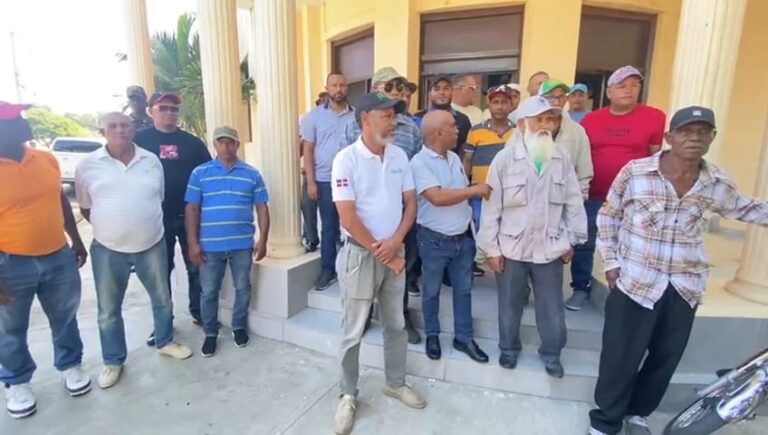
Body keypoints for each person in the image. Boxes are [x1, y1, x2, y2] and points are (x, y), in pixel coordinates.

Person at [587, 106, 768, 435]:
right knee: (619, 358)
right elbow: (609, 215)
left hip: (684, 286)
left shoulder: (716, 182)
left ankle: (638, 413)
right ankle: (606, 422)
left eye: (702, 132)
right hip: (635, 282)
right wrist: (611, 262)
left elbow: (747, 208)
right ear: (669, 137)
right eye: (686, 131)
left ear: (712, 138)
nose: (694, 138)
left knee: (664, 358)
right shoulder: (636, 172)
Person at [75, 113, 193, 389]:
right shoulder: (88, 166)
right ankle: (113, 360)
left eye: (125, 125)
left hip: (152, 244)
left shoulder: (151, 161)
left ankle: (164, 341)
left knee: (162, 299)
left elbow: (158, 198)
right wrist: (115, 227)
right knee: (108, 309)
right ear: (102, 132)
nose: (120, 130)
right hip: (108, 248)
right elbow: (86, 207)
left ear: (133, 130)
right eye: (113, 126)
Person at [332, 92, 425, 435]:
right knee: (353, 330)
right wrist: (380, 250)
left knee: (396, 324)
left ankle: (395, 383)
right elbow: (347, 215)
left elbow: (410, 203)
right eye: (386, 116)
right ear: (365, 119)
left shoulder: (399, 155)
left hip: (393, 252)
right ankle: (347, 394)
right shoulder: (346, 160)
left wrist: (396, 242)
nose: (393, 122)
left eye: (394, 116)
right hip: (360, 255)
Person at [478, 96, 587, 378]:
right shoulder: (504, 159)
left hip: (550, 246)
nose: (546, 126)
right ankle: (508, 349)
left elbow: (573, 202)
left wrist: (573, 240)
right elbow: (491, 208)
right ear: (523, 124)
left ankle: (552, 354)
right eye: (539, 120)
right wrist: (491, 249)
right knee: (509, 305)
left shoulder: (561, 158)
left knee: (551, 308)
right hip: (511, 247)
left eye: (551, 120)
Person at [0, 101, 91, 418]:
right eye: (14, 120)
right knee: (11, 327)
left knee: (65, 317)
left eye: (22, 118)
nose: (24, 124)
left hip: (57, 255)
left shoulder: (45, 159)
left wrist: (75, 239)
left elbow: (60, 200)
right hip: (10, 263)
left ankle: (70, 365)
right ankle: (16, 381)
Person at [568, 66, 666, 311]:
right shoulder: (592, 120)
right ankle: (581, 287)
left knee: (631, 245)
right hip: (595, 195)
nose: (629, 90)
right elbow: (580, 156)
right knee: (584, 242)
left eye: (634, 85)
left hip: (634, 198)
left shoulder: (654, 117)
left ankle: (625, 292)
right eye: (622, 86)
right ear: (609, 91)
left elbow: (656, 158)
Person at [341, 67, 423, 343]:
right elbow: (346, 173)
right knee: (363, 282)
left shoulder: (410, 129)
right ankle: (363, 316)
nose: (396, 92)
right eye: (389, 87)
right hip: (363, 219)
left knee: (399, 272)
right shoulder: (351, 127)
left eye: (400, 87)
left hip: (398, 217)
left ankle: (401, 316)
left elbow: (413, 171)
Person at [411, 110, 491, 363]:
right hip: (434, 240)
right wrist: (474, 191)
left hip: (462, 239)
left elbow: (457, 191)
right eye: (453, 126)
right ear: (438, 133)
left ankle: (464, 338)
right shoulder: (419, 163)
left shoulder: (454, 158)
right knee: (431, 291)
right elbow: (436, 197)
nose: (458, 131)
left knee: (463, 291)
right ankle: (432, 335)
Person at [185, 126, 270, 357]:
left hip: (242, 244)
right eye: (221, 142)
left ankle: (239, 327)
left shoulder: (252, 174)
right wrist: (193, 243)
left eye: (230, 142)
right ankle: (210, 333)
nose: (226, 146)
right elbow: (192, 209)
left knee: (243, 287)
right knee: (209, 291)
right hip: (210, 246)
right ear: (214, 145)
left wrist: (263, 239)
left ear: (237, 145)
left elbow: (262, 208)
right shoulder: (200, 173)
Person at [135, 92, 212, 342]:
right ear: (151, 112)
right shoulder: (139, 141)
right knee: (161, 271)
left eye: (174, 109)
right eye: (164, 108)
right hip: (156, 218)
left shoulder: (193, 143)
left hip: (190, 216)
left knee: (196, 266)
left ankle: (199, 313)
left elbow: (208, 177)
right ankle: (163, 322)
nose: (170, 113)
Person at [301, 73, 354, 290]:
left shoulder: (358, 116)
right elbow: (308, 149)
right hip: (324, 180)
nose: (338, 89)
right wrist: (311, 182)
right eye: (334, 85)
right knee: (329, 227)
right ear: (327, 87)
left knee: (354, 224)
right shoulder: (312, 117)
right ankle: (328, 269)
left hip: (352, 181)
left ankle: (354, 270)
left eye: (342, 85)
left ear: (347, 87)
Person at [464, 85, 516, 229]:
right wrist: (465, 190)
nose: (500, 107)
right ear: (489, 104)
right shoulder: (475, 131)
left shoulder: (518, 132)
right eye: (496, 102)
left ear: (511, 105)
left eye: (504, 102)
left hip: (509, 196)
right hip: (480, 196)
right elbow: (467, 161)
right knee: (481, 234)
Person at [537, 78, 593, 199]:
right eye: (551, 97)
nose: (557, 102)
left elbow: (584, 172)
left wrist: (578, 200)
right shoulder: (525, 127)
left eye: (561, 97)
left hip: (564, 201)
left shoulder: (577, 131)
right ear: (539, 99)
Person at [300, 92, 330, 253]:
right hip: (309, 173)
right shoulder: (309, 122)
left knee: (329, 213)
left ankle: (331, 241)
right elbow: (302, 150)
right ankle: (311, 238)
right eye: (320, 102)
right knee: (307, 208)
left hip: (327, 176)